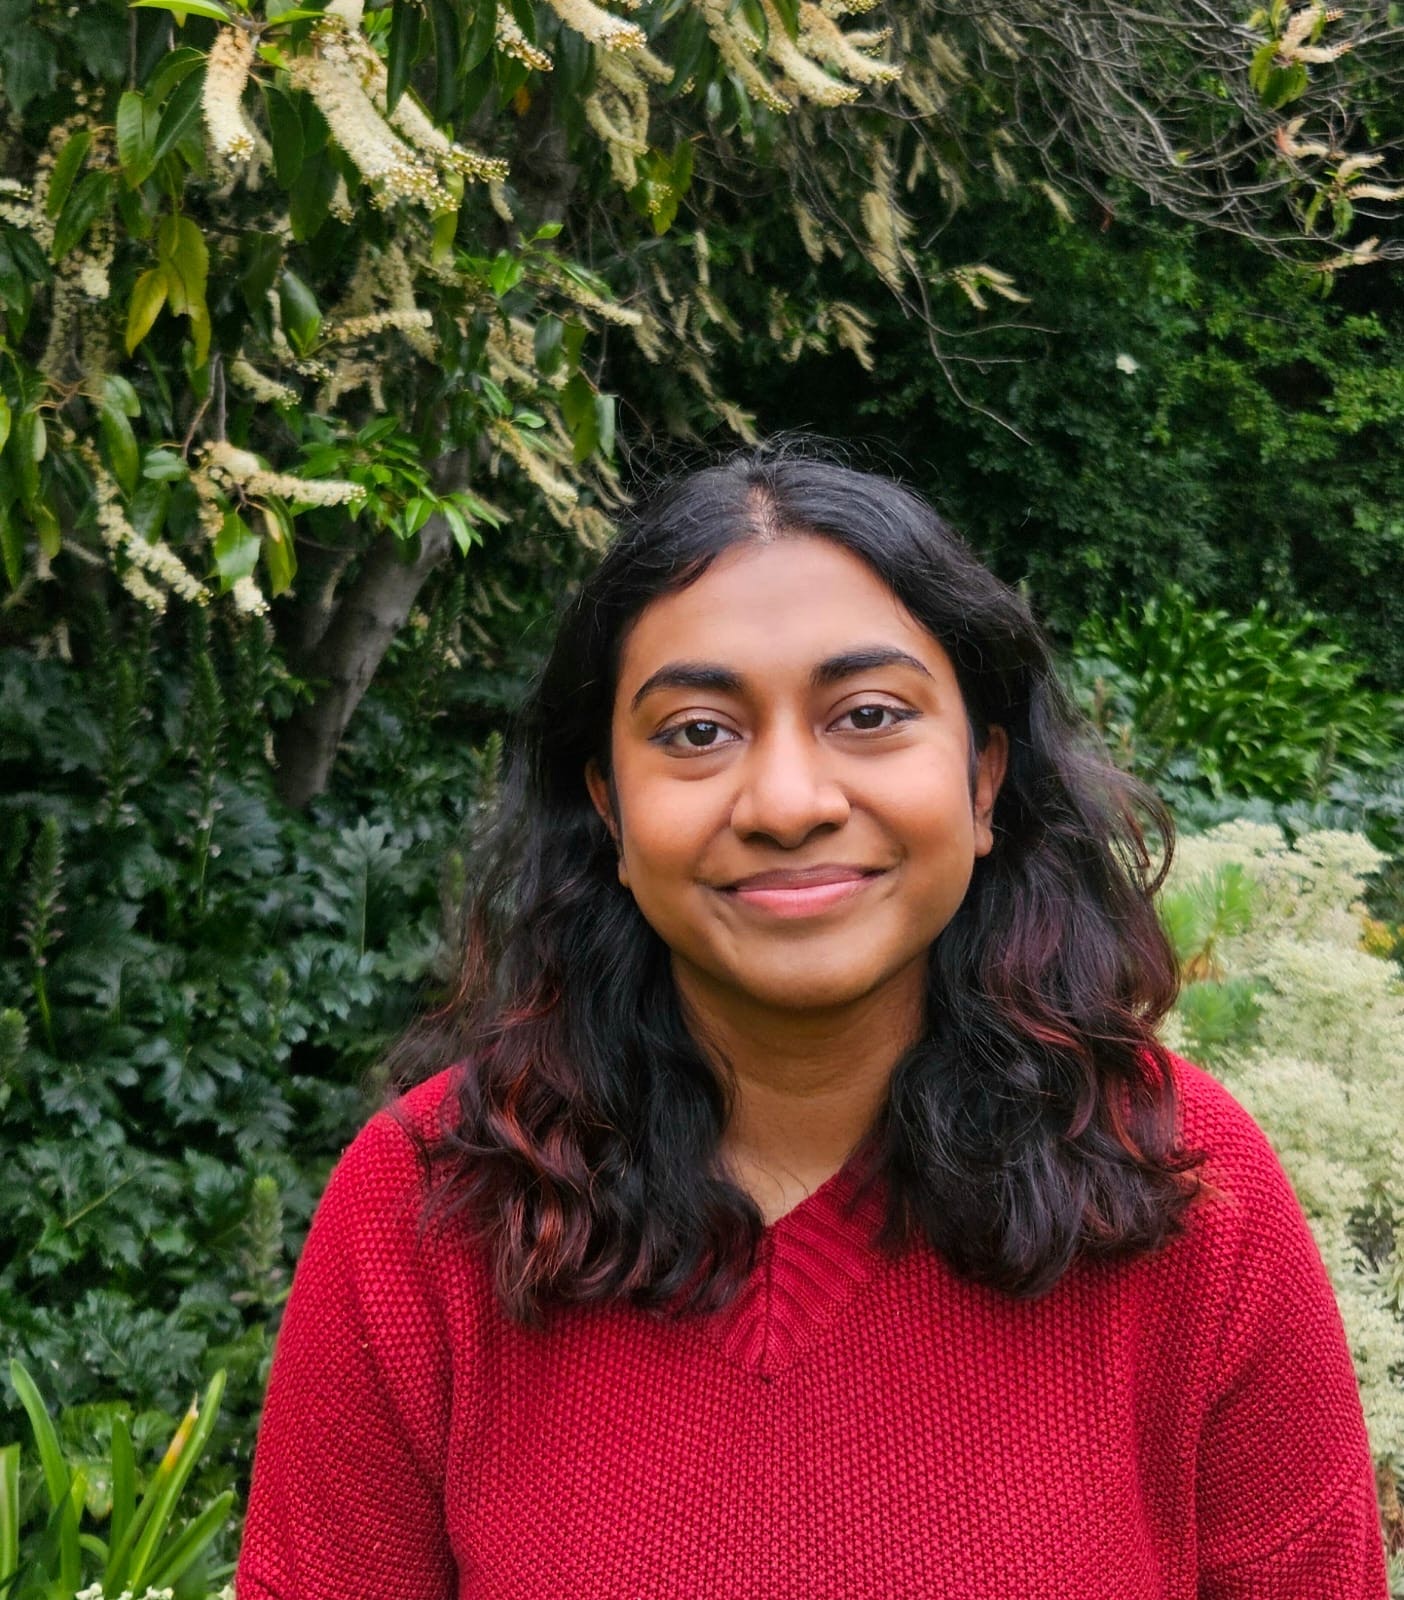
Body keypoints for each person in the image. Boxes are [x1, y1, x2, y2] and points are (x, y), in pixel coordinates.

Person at [236, 448, 1387, 1600]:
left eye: (870, 715)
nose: (789, 802)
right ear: (610, 806)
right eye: (695, 731)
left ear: (984, 779)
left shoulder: (1191, 1193)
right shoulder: (425, 1212)